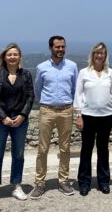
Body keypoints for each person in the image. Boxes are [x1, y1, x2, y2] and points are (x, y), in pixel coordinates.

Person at [0, 43, 35, 206]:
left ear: (19, 57)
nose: (12, 57)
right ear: (4, 57)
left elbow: (30, 96)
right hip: (0, 121)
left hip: (20, 120)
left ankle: (17, 186)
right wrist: (3, 117)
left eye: (15, 54)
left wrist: (22, 115)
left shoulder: (26, 75)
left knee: (18, 155)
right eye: (9, 54)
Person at [30, 35, 78, 199]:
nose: (60, 49)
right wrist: (47, 103)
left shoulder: (72, 66)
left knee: (65, 148)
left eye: (63, 46)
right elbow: (37, 89)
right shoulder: (41, 67)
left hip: (66, 110)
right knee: (43, 148)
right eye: (57, 47)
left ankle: (63, 181)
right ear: (51, 48)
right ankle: (39, 183)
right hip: (47, 110)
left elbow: (74, 89)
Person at [73, 42, 112, 196]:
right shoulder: (84, 72)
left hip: (107, 116)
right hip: (87, 116)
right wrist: (78, 116)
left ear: (105, 56)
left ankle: (103, 181)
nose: (99, 56)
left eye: (102, 53)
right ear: (93, 55)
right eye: (97, 53)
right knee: (86, 150)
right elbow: (78, 95)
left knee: (103, 150)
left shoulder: (110, 72)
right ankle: (84, 182)